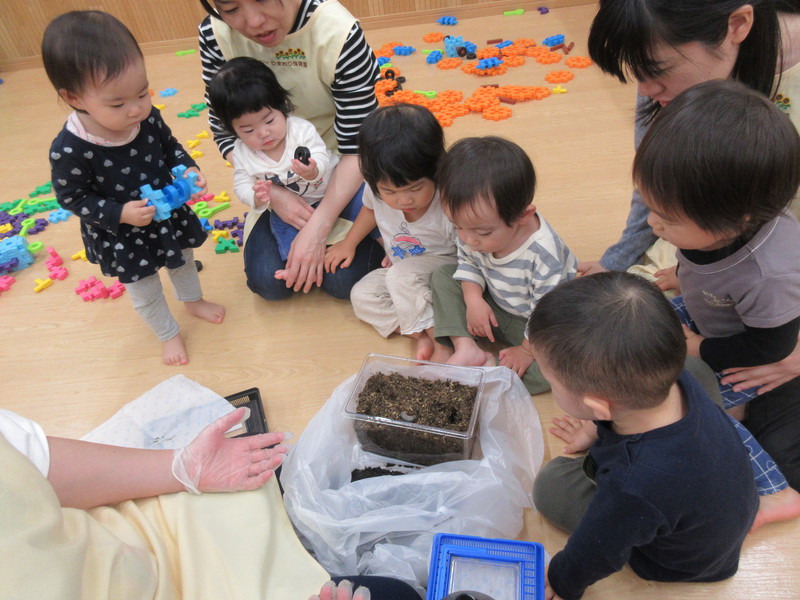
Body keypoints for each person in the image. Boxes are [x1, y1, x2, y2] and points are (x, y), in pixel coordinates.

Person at [0, 406, 420, 599]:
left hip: (133, 542)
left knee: (273, 477)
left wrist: (182, 469)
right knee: (397, 595)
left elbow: (36, 467)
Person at [528, 272, 759, 600]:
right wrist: (596, 427)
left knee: (550, 487)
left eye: (552, 382)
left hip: (680, 561)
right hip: (715, 506)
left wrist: (561, 579)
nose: (551, 388)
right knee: (698, 370)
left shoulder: (634, 484)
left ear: (597, 405)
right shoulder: (671, 375)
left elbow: (598, 548)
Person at [634, 79, 800, 523]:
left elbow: (770, 349)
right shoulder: (715, 222)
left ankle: (778, 492)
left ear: (736, 220)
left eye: (667, 218)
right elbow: (703, 260)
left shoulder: (768, 274)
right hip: (716, 314)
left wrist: (698, 349)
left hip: (752, 351)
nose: (654, 223)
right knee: (638, 323)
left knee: (692, 406)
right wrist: (680, 275)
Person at [42, 11, 225, 366]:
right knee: (144, 289)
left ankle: (193, 301)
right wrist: (119, 213)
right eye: (118, 103)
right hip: (124, 234)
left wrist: (187, 167)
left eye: (142, 93)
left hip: (167, 216)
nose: (137, 109)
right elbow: (72, 197)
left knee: (184, 261)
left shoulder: (147, 116)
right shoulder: (69, 148)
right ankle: (168, 334)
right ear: (74, 97)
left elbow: (169, 145)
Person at [579, 0, 800, 280]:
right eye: (638, 71)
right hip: (705, 242)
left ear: (737, 24)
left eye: (657, 70)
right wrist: (618, 260)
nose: (646, 91)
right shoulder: (662, 71)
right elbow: (658, 181)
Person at [198, 0, 383, 299]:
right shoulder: (214, 33)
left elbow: (359, 146)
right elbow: (224, 131)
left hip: (340, 166)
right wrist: (273, 194)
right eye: (231, 9)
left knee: (340, 281)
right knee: (268, 283)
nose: (254, 21)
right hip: (273, 176)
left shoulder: (337, 30)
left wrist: (317, 228)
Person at [430, 137, 577, 394]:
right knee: (442, 276)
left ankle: (489, 367)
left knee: (561, 366)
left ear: (523, 216)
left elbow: (548, 312)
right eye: (457, 226)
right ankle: (466, 347)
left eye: (483, 233)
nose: (467, 238)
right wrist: (473, 298)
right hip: (493, 306)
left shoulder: (544, 255)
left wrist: (526, 350)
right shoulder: (470, 228)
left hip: (533, 322)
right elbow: (467, 260)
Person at [324, 104, 457, 361]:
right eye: (390, 192)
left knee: (400, 276)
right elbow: (370, 210)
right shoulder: (377, 190)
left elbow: (469, 258)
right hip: (404, 274)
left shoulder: (448, 204)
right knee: (361, 295)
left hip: (444, 275)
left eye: (415, 188)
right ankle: (422, 334)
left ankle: (443, 343)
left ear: (436, 171)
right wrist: (348, 243)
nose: (403, 200)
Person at [208, 56, 345, 265]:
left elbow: (320, 154)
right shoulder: (242, 152)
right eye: (248, 130)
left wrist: (312, 170)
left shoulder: (299, 130)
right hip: (292, 207)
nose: (264, 133)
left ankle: (384, 244)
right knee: (283, 235)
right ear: (233, 130)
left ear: (281, 106)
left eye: (269, 120)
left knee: (364, 204)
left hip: (331, 192)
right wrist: (256, 196)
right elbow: (242, 183)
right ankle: (295, 265)